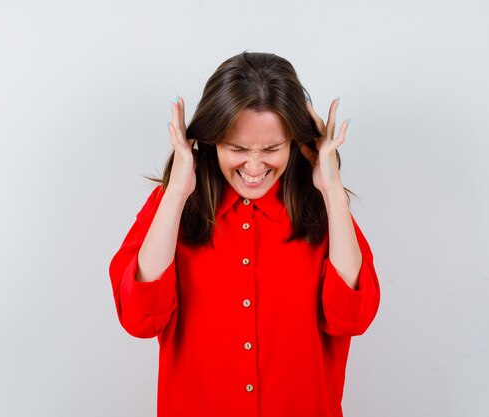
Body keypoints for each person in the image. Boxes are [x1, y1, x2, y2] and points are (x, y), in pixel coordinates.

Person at [108, 51, 380, 417]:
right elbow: (140, 318)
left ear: (296, 142)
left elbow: (352, 318)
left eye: (271, 148)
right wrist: (176, 192)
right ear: (210, 140)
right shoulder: (173, 204)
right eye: (237, 149)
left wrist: (331, 190)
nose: (254, 167)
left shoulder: (322, 206)